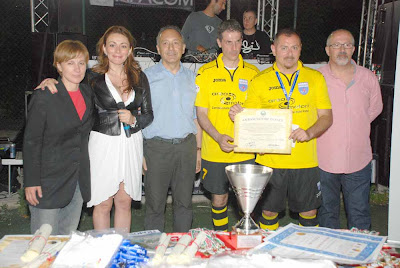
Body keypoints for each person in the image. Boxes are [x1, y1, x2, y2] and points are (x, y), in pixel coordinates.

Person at [35, 26, 154, 232]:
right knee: (103, 203)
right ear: (104, 49)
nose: (118, 50)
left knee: (124, 202)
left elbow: (149, 115)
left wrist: (134, 119)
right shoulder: (91, 76)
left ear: (130, 50)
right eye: (113, 45)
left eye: (123, 46)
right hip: (102, 144)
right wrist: (51, 80)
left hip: (131, 144)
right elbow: (69, 88)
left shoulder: (139, 77)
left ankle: (119, 251)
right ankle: (102, 251)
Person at [229, 28, 333, 230]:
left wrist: (309, 132)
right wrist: (238, 117)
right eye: (284, 48)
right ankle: (270, 256)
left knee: (309, 212)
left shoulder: (315, 78)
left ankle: (306, 258)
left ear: (300, 49)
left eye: (294, 47)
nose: (289, 53)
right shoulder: (259, 80)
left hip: (305, 160)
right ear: (274, 49)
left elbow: (327, 117)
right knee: (268, 212)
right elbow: (252, 122)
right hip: (270, 159)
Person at [24, 40, 94, 235]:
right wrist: (31, 181)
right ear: (59, 65)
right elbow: (31, 142)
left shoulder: (88, 94)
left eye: (81, 63)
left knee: (66, 240)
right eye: (70, 63)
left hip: (77, 181)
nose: (77, 68)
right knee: (43, 241)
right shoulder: (45, 96)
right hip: (47, 182)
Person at [195, 20, 260, 231]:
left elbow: (260, 113)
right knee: (219, 200)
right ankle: (221, 238)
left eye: (237, 42)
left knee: (246, 205)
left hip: (245, 151)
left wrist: (246, 114)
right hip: (215, 151)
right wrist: (217, 137)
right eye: (228, 42)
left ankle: (245, 242)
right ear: (219, 43)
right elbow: (201, 114)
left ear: (243, 42)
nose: (233, 48)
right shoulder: (205, 73)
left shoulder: (253, 73)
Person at [317, 29, 383, 230]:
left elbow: (375, 108)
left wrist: (355, 124)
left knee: (360, 213)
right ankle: (328, 259)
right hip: (323, 159)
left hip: (358, 159)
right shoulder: (316, 78)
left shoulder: (368, 77)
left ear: (354, 49)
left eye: (347, 45)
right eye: (336, 45)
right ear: (328, 50)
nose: (342, 49)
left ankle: (360, 259)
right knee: (326, 213)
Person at [142, 26, 201, 232]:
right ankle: (153, 251)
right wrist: (140, 153)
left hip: (186, 148)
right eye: (165, 43)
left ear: (184, 48)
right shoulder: (145, 78)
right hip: (156, 149)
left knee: (184, 204)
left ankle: (181, 249)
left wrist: (198, 152)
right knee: (155, 206)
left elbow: (196, 118)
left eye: (176, 43)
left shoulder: (194, 79)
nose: (171, 48)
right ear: (158, 48)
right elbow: (138, 117)